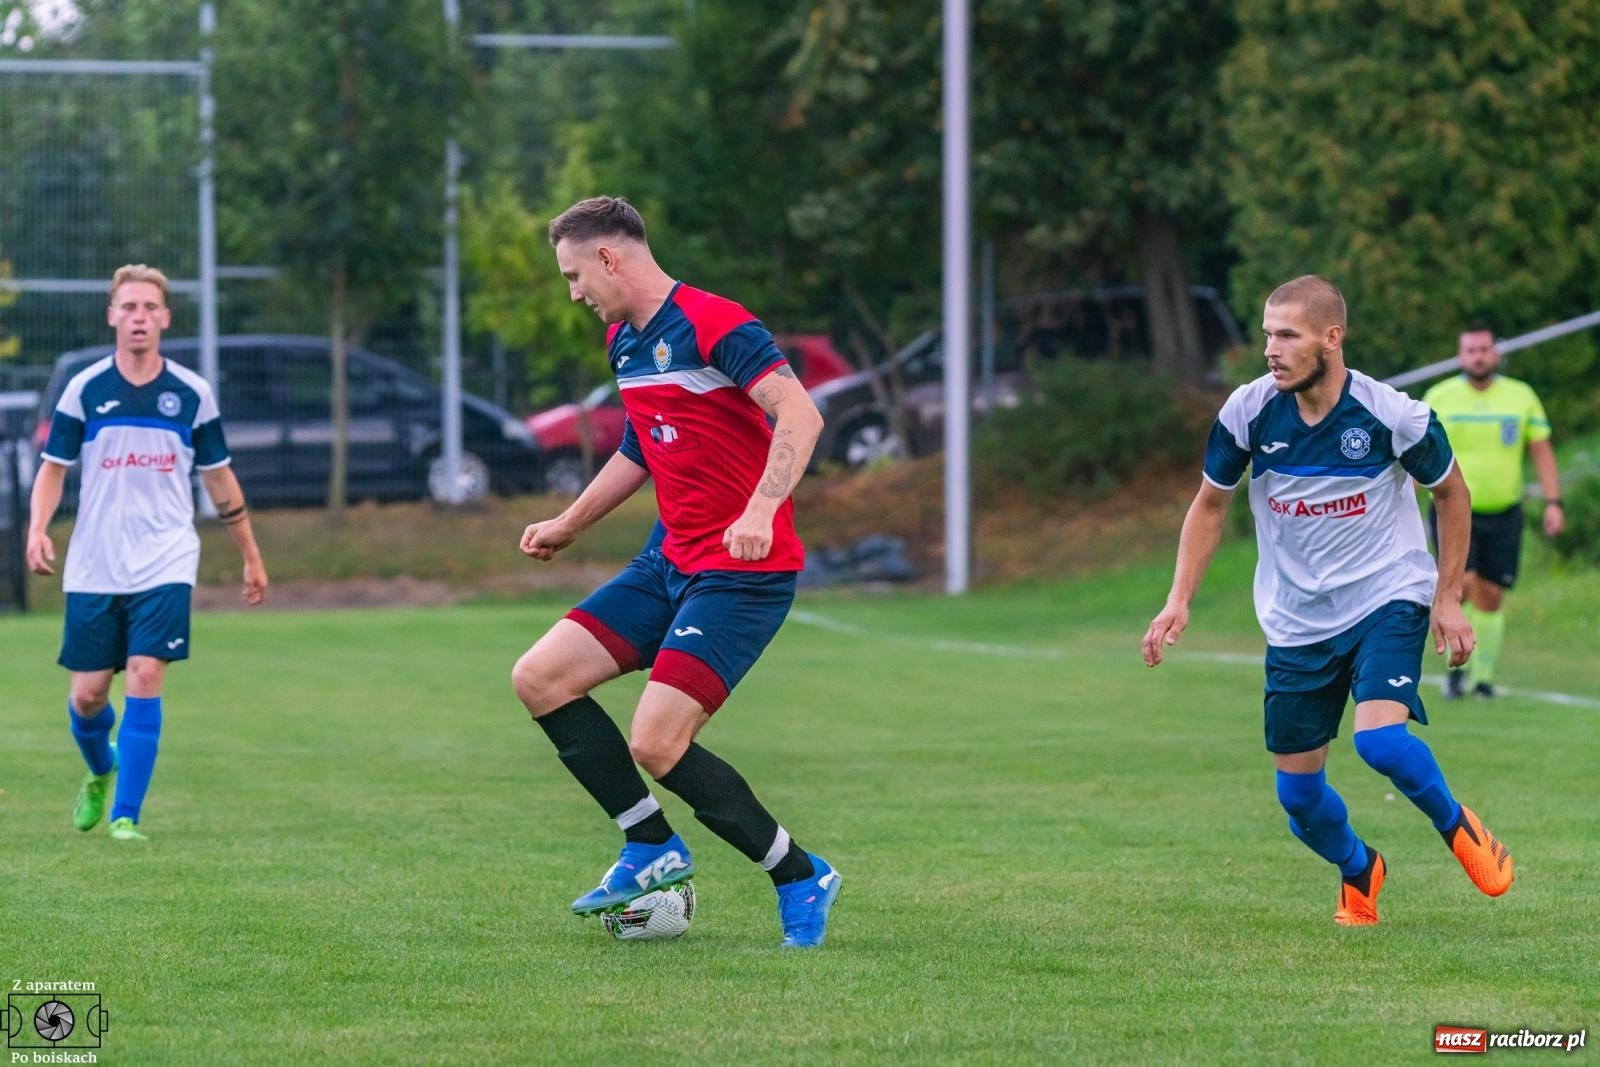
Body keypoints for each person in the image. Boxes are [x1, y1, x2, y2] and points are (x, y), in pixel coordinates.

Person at [510, 197, 841, 948]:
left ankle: (799, 874)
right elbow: (640, 447)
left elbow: (801, 414)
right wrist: (569, 523)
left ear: (608, 258)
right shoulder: (627, 343)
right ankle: (651, 843)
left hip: (740, 573)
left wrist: (761, 507)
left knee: (656, 742)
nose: (572, 293)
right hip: (668, 560)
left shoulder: (715, 322)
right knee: (539, 677)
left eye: (572, 275)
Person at [1142, 275, 1513, 926]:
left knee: (1381, 743)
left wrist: (1446, 597)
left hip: (1387, 594)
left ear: (1331, 338)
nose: (1271, 348)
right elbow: (1210, 504)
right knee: (1300, 800)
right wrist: (1179, 598)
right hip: (1296, 619)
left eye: (1287, 334)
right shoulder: (1248, 413)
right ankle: (1359, 868)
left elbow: (1452, 493)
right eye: (1267, 334)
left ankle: (1461, 828)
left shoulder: (1392, 415)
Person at [27, 264, 268, 842]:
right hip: (94, 562)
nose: (139, 317)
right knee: (87, 697)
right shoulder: (85, 389)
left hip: (165, 559)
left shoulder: (190, 394)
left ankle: (126, 816)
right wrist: (37, 529)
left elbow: (220, 480)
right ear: (112, 315)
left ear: (165, 318)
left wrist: (250, 555)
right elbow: (52, 470)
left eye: (149, 308)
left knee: (144, 673)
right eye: (128, 307)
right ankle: (101, 770)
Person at [1422, 326, 1563, 699]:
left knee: (1491, 594)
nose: (1478, 356)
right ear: (1460, 356)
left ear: (1495, 354)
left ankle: (1483, 679)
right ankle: (1456, 671)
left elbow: (1542, 450)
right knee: (1461, 585)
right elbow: (1417, 453)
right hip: (1453, 513)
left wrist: (1553, 501)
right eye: (1470, 350)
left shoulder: (1521, 397)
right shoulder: (1441, 397)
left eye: (1484, 349)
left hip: (1504, 512)